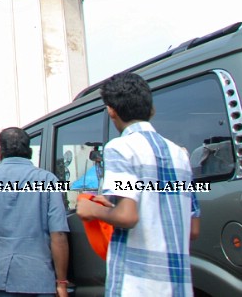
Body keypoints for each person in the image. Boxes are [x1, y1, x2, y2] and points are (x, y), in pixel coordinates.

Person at [75, 72, 200, 297]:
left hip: (138, 285)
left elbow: (128, 217)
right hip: (178, 286)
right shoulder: (180, 154)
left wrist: (92, 209)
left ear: (111, 110)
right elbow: (193, 229)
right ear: (151, 110)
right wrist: (114, 208)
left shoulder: (121, 148)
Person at [0, 127, 69, 297]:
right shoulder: (48, 180)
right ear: (29, 151)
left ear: (0, 151)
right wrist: (61, 283)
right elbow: (58, 235)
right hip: (39, 280)